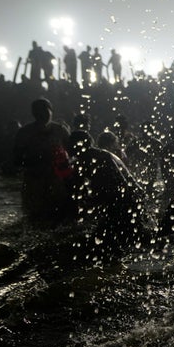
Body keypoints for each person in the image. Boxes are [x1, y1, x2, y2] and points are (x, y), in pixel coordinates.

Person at [67, 130, 154, 262]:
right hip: (128, 199)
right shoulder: (90, 157)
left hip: (126, 200)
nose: (67, 148)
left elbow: (121, 185)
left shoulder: (99, 157)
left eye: (70, 145)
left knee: (119, 241)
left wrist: (91, 206)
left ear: (78, 145)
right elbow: (79, 191)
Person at [12, 98, 72, 223]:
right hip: (34, 180)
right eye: (38, 112)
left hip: (56, 179)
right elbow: (16, 159)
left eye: (45, 111)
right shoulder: (25, 133)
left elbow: (71, 154)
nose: (42, 115)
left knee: (58, 215)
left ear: (51, 111)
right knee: (34, 217)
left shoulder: (60, 131)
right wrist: (36, 160)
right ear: (33, 114)